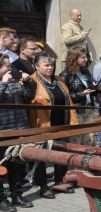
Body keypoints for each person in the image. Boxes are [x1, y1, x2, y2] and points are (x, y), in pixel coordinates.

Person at [28, 53, 77, 198]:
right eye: (46, 65)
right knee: (42, 155)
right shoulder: (32, 81)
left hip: (61, 123)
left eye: (52, 65)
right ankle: (43, 186)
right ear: (37, 66)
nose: (50, 68)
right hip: (41, 124)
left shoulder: (59, 80)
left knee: (60, 152)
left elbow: (68, 101)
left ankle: (59, 180)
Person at [0, 54, 34, 211]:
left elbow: (28, 96)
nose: (10, 68)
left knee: (17, 165)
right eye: (6, 66)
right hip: (2, 132)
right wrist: (2, 84)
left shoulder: (14, 83)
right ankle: (1, 199)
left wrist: (29, 82)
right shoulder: (5, 83)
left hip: (18, 128)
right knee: (1, 168)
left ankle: (17, 195)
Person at [59, 47, 101, 146]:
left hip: (88, 109)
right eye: (83, 57)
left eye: (86, 57)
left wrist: (97, 88)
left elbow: (90, 88)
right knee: (76, 139)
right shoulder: (65, 75)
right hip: (76, 111)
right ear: (74, 58)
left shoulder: (85, 72)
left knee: (89, 139)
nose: (86, 59)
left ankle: (87, 160)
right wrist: (81, 94)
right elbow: (64, 96)